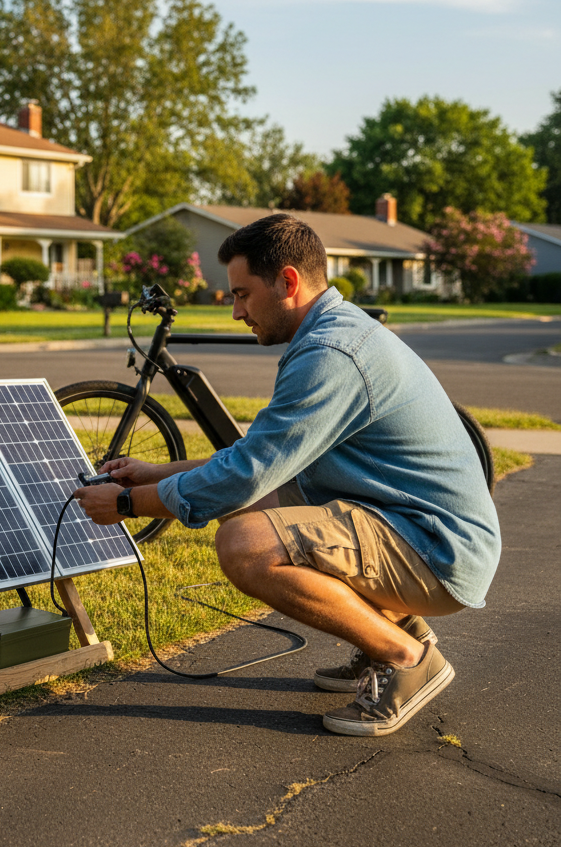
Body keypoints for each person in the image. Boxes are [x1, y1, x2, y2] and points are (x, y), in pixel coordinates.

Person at [74, 213, 500, 737]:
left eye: (242, 295)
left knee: (245, 543)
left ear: (289, 282)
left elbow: (245, 476)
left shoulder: (332, 354)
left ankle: (408, 658)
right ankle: (386, 637)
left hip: (439, 549)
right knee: (262, 509)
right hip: (414, 528)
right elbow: (261, 458)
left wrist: (126, 505)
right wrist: (149, 473)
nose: (235, 312)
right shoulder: (331, 335)